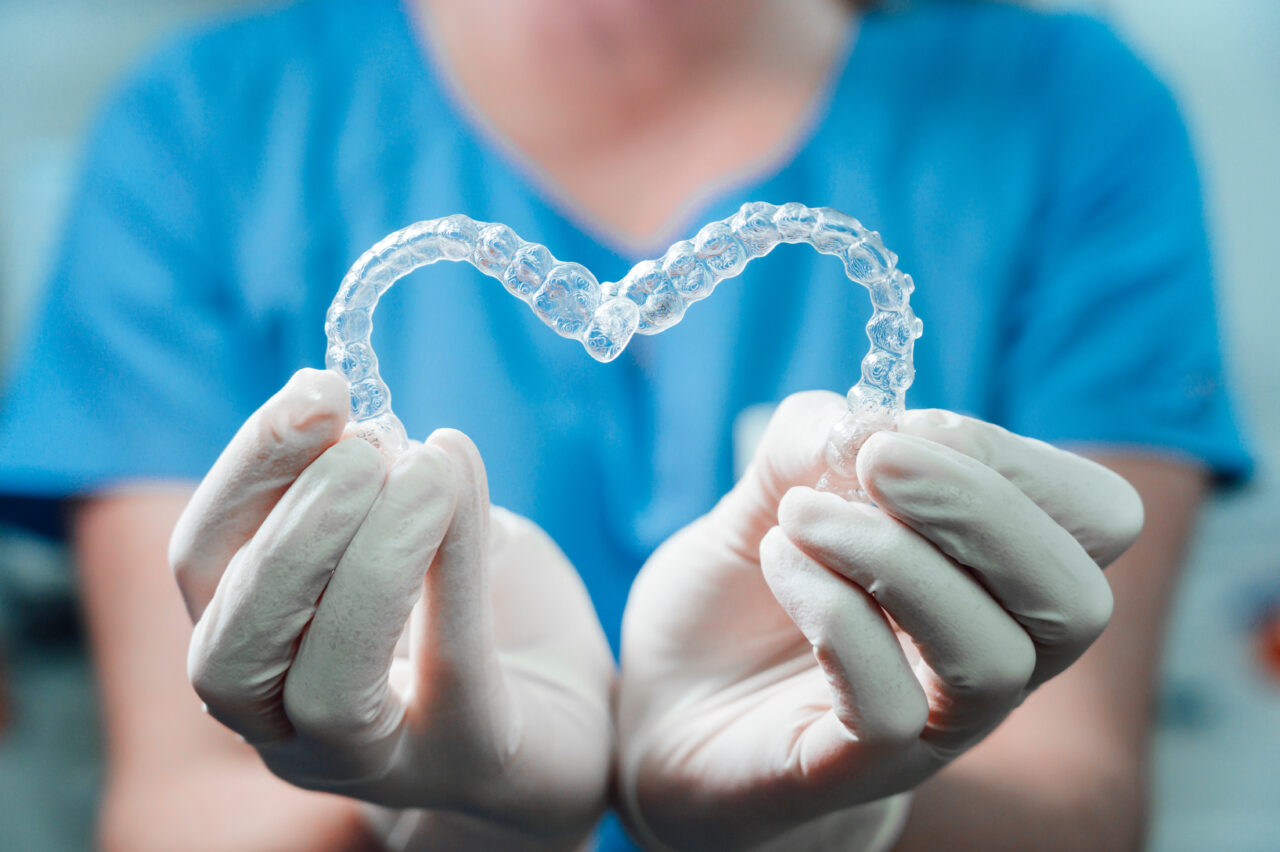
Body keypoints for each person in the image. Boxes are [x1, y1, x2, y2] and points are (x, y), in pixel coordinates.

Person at [0, 0, 1251, 849]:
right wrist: (441, 808)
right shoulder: (207, 126)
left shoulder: (1070, 113)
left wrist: (829, 809)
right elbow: (174, 806)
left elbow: (1079, 791)